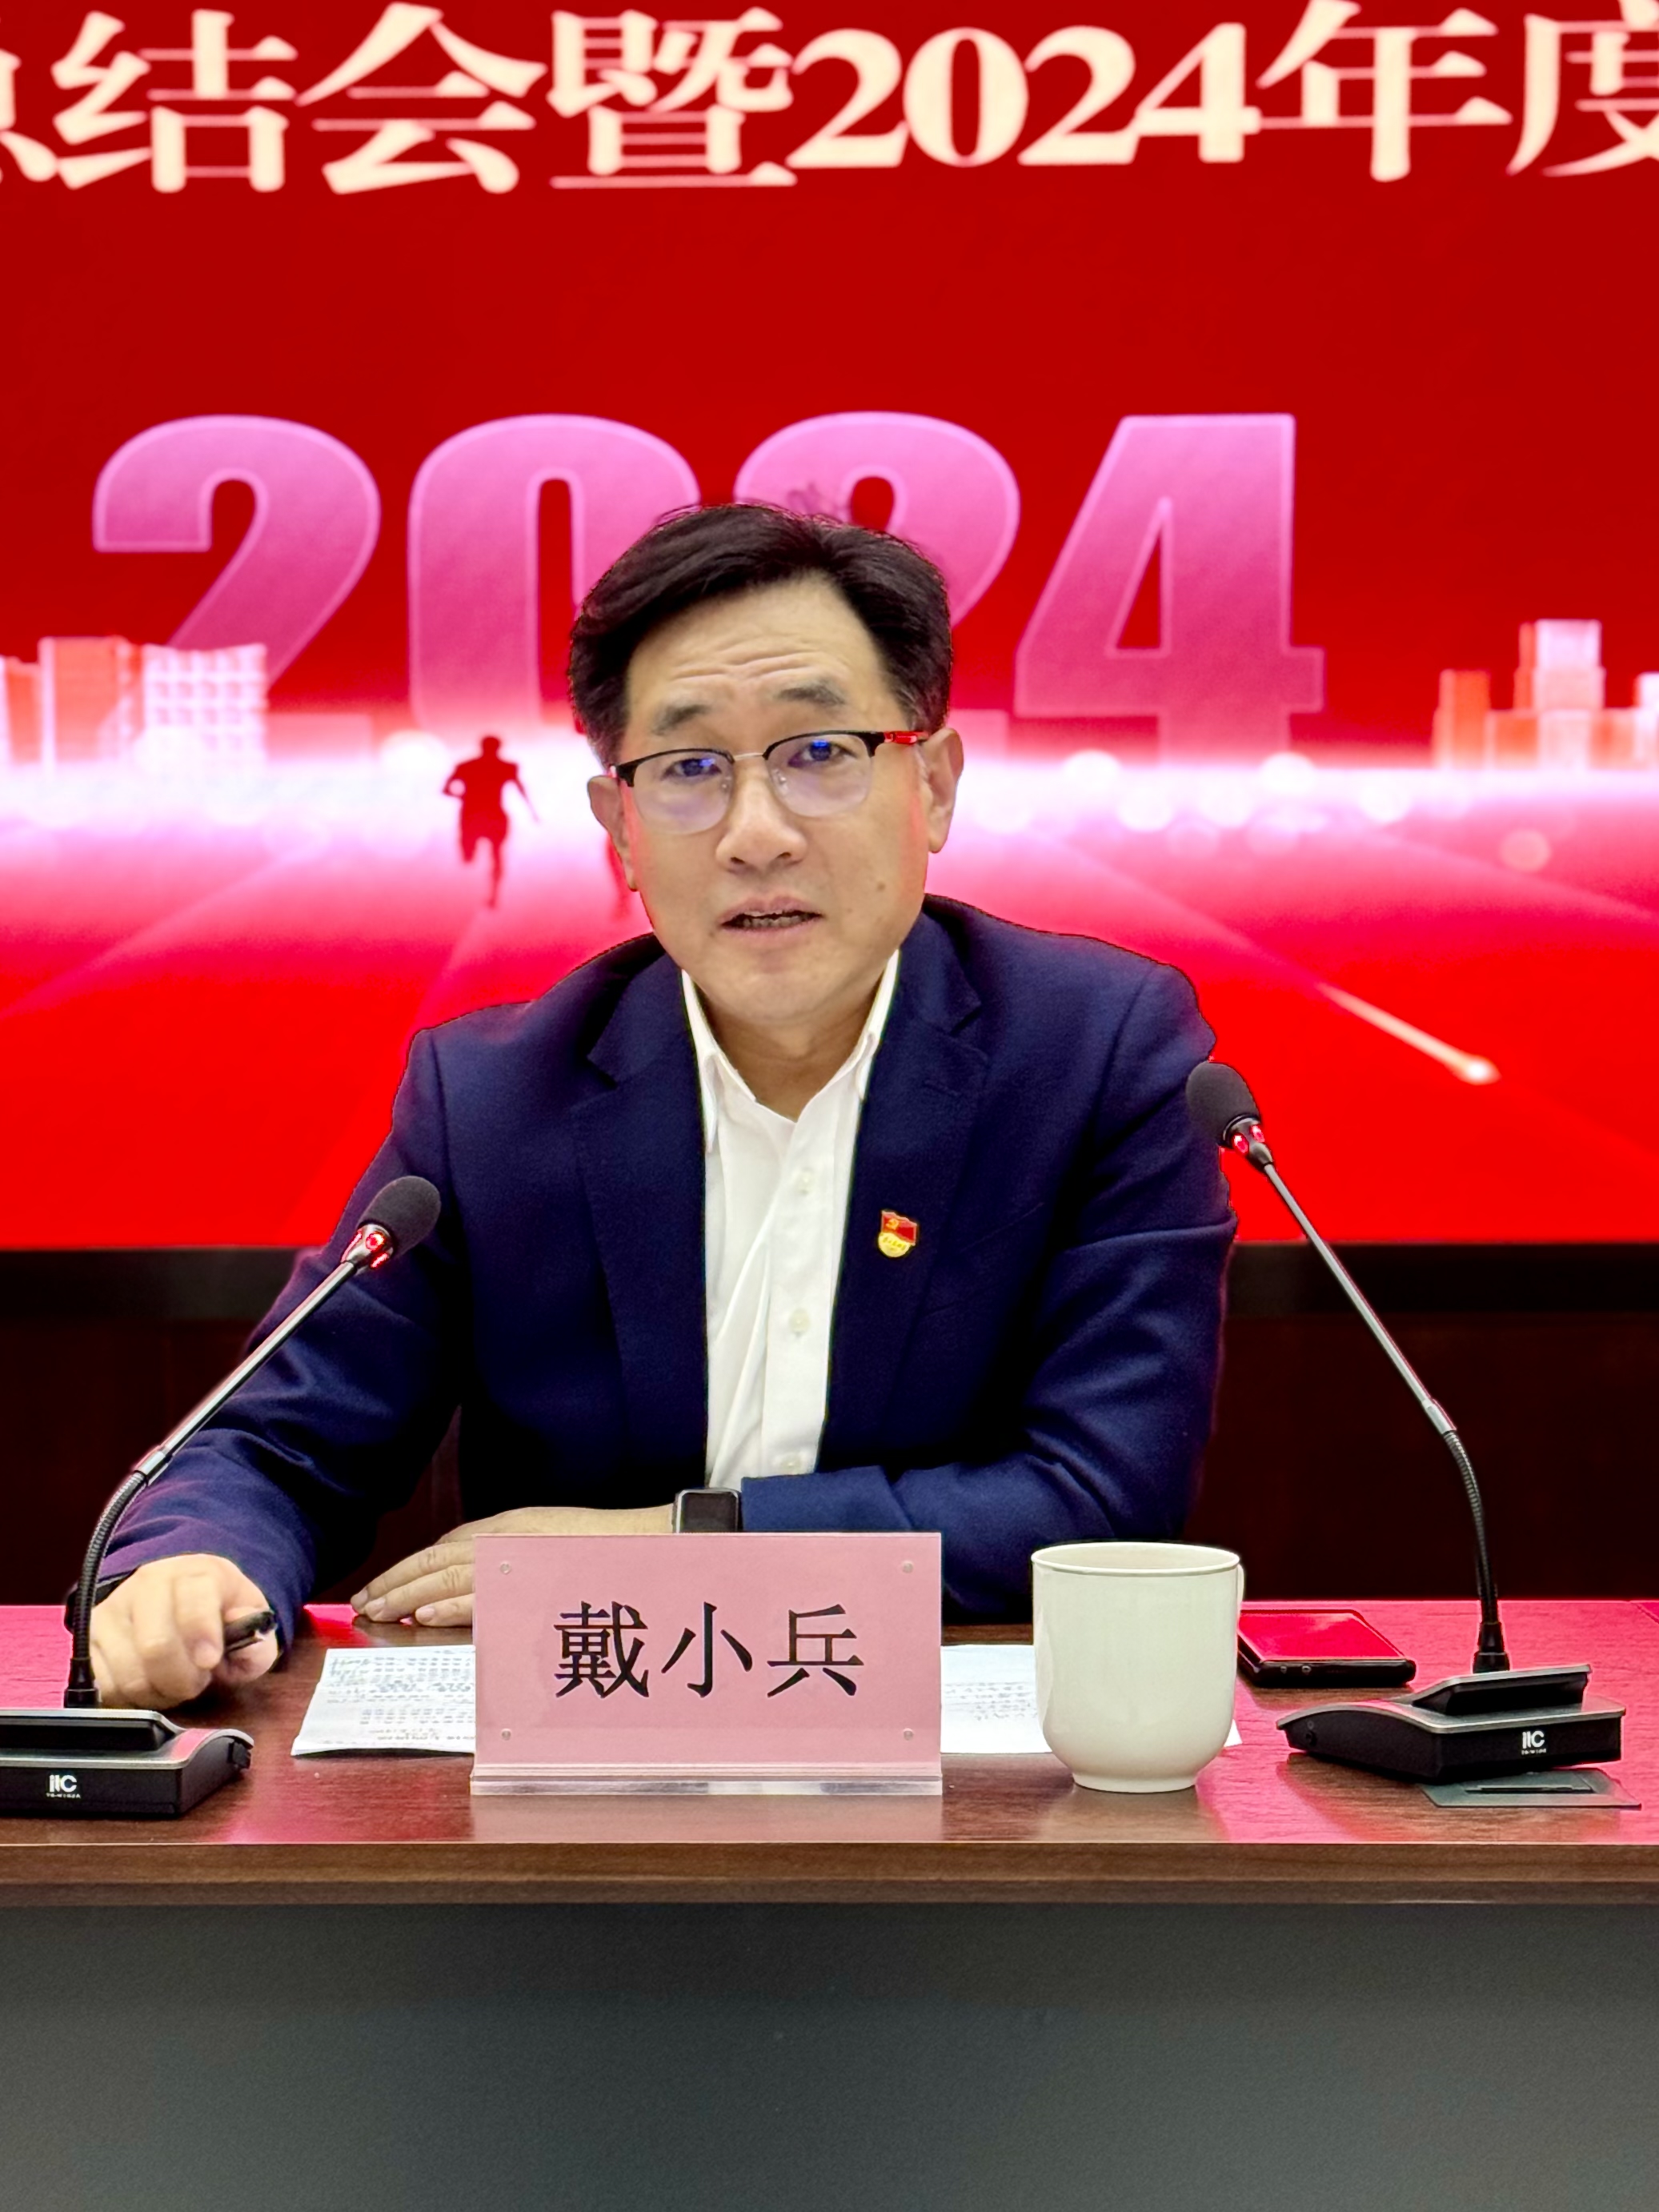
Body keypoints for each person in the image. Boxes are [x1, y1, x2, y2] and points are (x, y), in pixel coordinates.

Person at [88, 503, 1235, 1710]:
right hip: (580, 1767)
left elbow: (1104, 1496)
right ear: (620, 831)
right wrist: (193, 1564)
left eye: (820, 752)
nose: (756, 835)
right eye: (689, 770)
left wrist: (684, 1544)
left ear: (934, 786)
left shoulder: (1094, 1053)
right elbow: (278, 1440)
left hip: (972, 1768)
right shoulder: (494, 1101)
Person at [443, 735, 537, 906]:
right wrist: (532, 812)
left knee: (479, 856)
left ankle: (492, 894)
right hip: (491, 815)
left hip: (473, 815)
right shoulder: (506, 767)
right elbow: (521, 789)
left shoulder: (467, 766)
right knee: (494, 855)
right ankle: (492, 894)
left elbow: (446, 790)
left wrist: (462, 797)